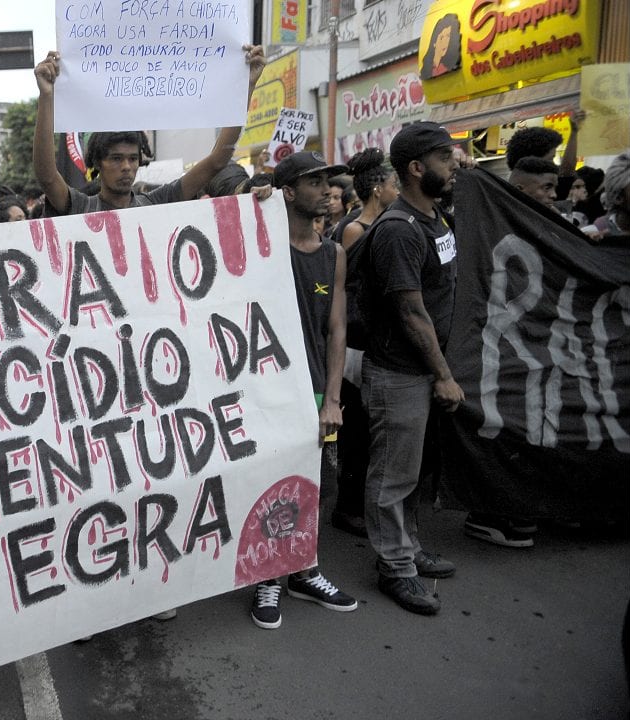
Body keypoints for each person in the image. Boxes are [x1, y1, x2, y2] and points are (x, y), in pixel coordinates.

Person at [248, 152, 358, 630]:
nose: (326, 190)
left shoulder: (334, 254)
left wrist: (332, 398)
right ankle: (268, 576)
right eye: (313, 182)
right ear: (288, 192)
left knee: (313, 483)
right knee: (272, 483)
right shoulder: (263, 245)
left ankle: (304, 570)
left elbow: (337, 329)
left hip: (313, 390)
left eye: (327, 181)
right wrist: (252, 202)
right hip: (265, 392)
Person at [358, 122, 462, 615]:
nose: (456, 163)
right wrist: (443, 375)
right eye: (445, 157)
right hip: (399, 373)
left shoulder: (435, 218)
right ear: (417, 168)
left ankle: (408, 548)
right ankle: (395, 568)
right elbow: (411, 311)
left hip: (421, 370)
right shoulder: (399, 230)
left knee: (412, 471)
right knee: (392, 475)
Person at [31, 46, 266, 216]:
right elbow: (47, 176)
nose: (126, 166)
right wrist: (46, 96)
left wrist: (247, 86)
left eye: (133, 158)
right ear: (98, 163)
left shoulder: (156, 203)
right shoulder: (81, 207)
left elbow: (217, 161)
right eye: (116, 159)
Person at [329, 148, 400, 540]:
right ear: (377, 189)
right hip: (355, 340)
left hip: (371, 337)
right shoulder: (356, 229)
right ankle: (347, 507)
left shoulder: (385, 223)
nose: (396, 190)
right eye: (392, 184)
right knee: (356, 431)